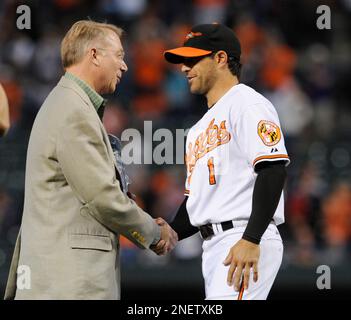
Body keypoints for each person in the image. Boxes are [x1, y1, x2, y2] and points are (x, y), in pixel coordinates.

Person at [4, 20, 177, 300]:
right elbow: (102, 196)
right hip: (69, 283)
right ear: (94, 55)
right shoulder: (73, 110)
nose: (124, 66)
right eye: (119, 56)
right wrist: (154, 234)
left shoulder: (69, 103)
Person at [162, 23, 289, 300]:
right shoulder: (197, 129)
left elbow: (272, 169)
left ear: (220, 58)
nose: (184, 68)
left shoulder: (246, 103)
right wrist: (170, 231)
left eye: (193, 59)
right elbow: (198, 200)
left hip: (243, 236)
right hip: (215, 245)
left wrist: (251, 239)